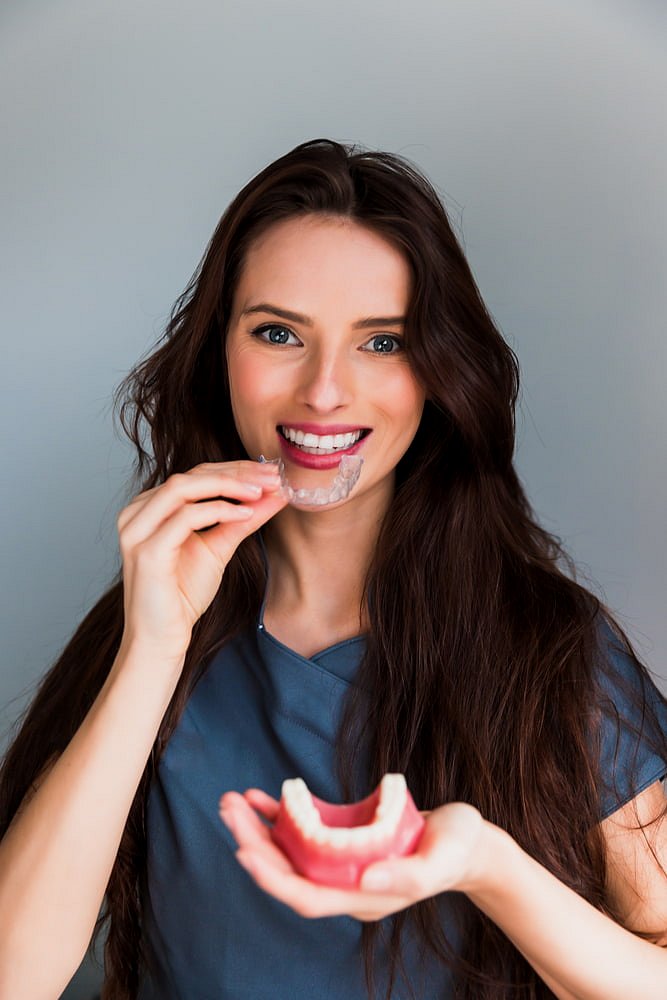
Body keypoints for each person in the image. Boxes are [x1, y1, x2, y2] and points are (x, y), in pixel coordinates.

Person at [1, 138, 666, 1000]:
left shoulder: (552, 647)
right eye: (278, 333)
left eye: (381, 343)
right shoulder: (147, 627)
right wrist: (151, 651)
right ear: (218, 355)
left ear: (438, 373)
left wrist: (485, 865)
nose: (323, 391)